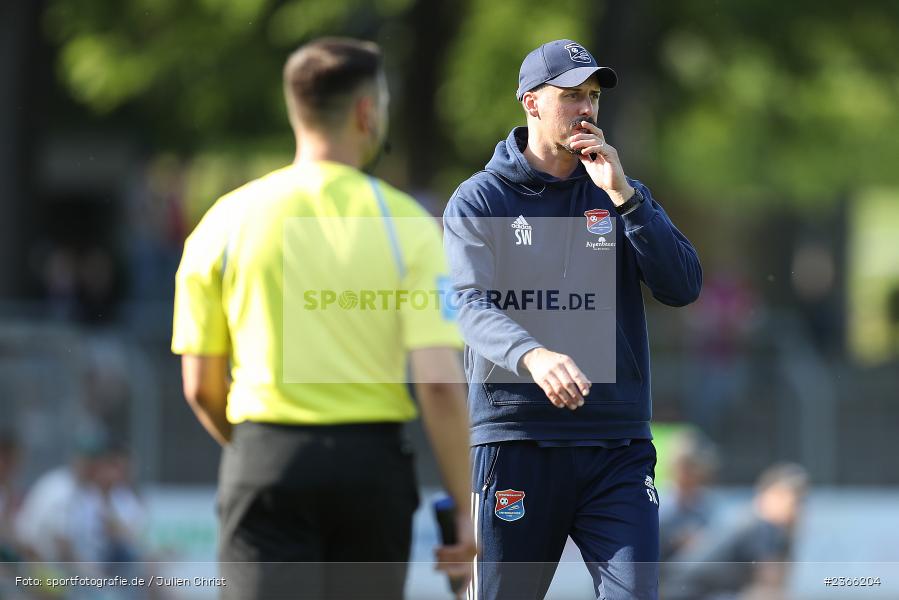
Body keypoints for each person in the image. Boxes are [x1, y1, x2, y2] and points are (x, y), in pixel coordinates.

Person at [172, 37, 475, 599]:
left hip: (266, 457)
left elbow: (200, 387)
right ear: (367, 113)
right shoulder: (405, 223)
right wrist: (465, 506)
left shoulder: (225, 221)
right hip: (372, 469)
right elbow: (437, 381)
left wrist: (260, 452)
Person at [443, 39, 702, 600]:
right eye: (571, 96)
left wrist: (626, 198)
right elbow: (468, 306)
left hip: (617, 446)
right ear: (530, 103)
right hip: (518, 442)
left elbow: (682, 286)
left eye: (593, 97)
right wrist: (533, 355)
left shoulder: (619, 191)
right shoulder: (479, 200)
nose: (587, 109)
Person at [664, 463, 808, 600]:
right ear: (771, 495)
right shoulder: (761, 526)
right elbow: (769, 588)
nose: (796, 508)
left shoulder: (753, 522)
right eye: (793, 500)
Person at [659, 430, 720, 561]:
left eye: (693, 466)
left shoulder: (706, 504)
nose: (689, 473)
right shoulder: (660, 503)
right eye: (685, 466)